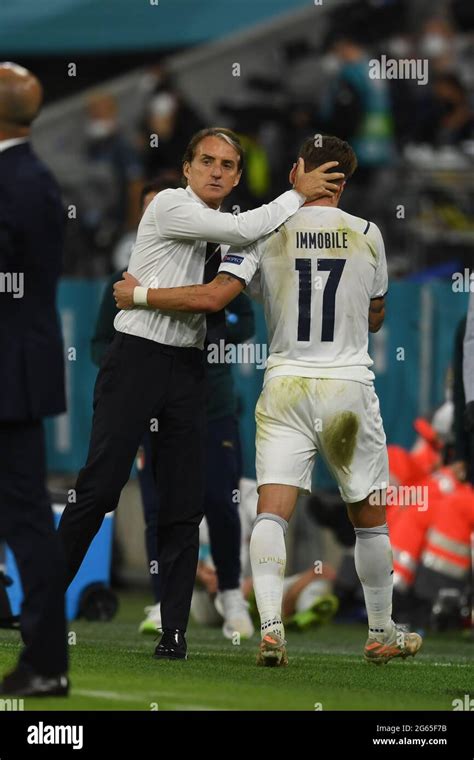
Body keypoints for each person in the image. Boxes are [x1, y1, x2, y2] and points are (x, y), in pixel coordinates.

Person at [114, 134, 423, 667]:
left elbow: (218, 296)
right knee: (370, 520)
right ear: (343, 183)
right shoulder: (369, 234)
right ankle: (380, 630)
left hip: (284, 383)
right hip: (347, 384)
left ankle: (273, 629)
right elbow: (377, 315)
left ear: (298, 171)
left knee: (271, 513)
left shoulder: (263, 231)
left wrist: (140, 294)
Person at [59, 126, 344, 661]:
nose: (216, 170)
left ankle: (173, 633)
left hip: (186, 369)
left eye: (227, 165)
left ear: (237, 177)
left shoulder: (228, 229)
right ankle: (45, 601)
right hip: (136, 360)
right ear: (187, 168)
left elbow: (235, 274)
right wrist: (298, 192)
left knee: (183, 506)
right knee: (99, 488)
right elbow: (252, 228)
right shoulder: (170, 204)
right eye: (207, 161)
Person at [91, 177, 255, 639]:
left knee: (219, 500)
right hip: (145, 397)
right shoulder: (123, 280)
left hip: (211, 398)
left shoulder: (222, 249)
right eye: (151, 213)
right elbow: (101, 342)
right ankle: (164, 600)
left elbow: (241, 321)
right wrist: (133, 370)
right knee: (153, 505)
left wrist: (200, 333)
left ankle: (230, 593)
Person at [0, 62, 68, 695]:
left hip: (8, 377)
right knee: (21, 515)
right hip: (16, 369)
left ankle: (46, 662)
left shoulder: (16, 181)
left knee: (25, 517)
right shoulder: (30, 178)